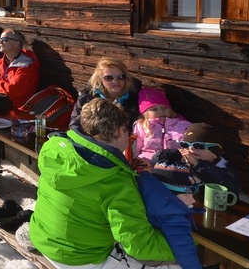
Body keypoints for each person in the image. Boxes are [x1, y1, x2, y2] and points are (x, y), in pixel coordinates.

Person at [30, 98, 181, 269]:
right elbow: (138, 242)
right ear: (118, 131)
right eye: (126, 130)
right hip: (81, 259)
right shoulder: (114, 178)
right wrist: (183, 247)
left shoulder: (59, 150)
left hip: (44, 238)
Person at [138, 149, 202, 269]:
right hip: (164, 261)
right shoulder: (174, 218)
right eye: (187, 195)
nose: (193, 200)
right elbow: (185, 251)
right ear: (170, 195)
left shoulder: (151, 197)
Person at [69, 57, 143, 132]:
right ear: (100, 79)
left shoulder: (136, 94)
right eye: (109, 78)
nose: (115, 81)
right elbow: (75, 124)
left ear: (126, 78)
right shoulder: (87, 96)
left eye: (120, 77)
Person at [0, 28, 40, 108]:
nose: (0, 42)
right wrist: (3, 87)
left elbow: (11, 91)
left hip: (17, 112)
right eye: (0, 39)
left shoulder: (26, 66)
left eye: (5, 39)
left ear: (16, 43)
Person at [133, 87, 190, 166]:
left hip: (175, 162)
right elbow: (136, 148)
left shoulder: (182, 125)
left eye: (165, 108)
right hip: (148, 161)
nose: (161, 111)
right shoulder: (141, 126)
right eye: (154, 109)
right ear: (145, 113)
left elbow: (188, 145)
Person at [179, 123, 241, 195]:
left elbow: (232, 189)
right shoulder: (185, 162)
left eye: (198, 146)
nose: (191, 148)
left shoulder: (225, 169)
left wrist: (198, 165)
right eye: (185, 145)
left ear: (214, 154)